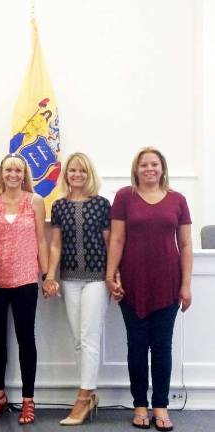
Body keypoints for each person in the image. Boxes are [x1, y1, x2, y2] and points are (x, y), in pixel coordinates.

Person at [106, 147, 192, 431]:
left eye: (155, 164)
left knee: (163, 347)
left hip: (167, 283)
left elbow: (187, 245)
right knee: (137, 346)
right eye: (144, 164)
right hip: (132, 282)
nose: (150, 169)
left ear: (162, 168)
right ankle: (139, 404)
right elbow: (116, 240)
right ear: (136, 168)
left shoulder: (178, 200)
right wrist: (110, 276)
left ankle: (161, 406)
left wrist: (186, 284)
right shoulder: (123, 197)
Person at [43, 152, 112, 425]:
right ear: (67, 175)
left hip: (97, 278)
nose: (77, 175)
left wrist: (113, 275)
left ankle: (83, 399)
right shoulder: (59, 206)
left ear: (89, 174)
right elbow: (56, 244)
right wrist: (50, 275)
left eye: (82, 171)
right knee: (77, 340)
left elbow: (110, 242)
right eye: (72, 171)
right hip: (69, 278)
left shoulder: (102, 204)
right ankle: (90, 393)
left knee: (89, 337)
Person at [0, 154, 48, 425]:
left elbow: (41, 240)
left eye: (18, 170)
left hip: (25, 279)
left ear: (24, 174)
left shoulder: (34, 201)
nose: (13, 174)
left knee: (26, 340)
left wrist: (47, 275)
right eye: (9, 169)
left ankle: (28, 399)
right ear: (2, 173)